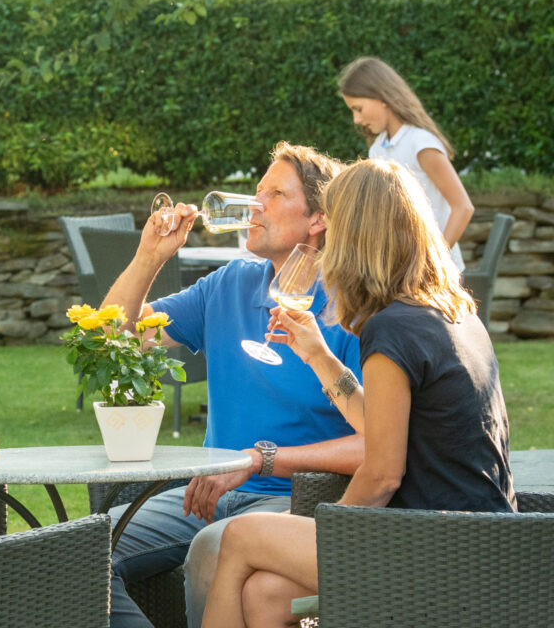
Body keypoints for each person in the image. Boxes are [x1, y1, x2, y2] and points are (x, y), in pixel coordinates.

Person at [202, 158, 515, 628]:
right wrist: (320, 357)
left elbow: (384, 473)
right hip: (486, 538)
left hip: (439, 547)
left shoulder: (391, 329)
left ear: (356, 234)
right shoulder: (450, 312)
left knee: (240, 537)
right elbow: (379, 425)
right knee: (266, 594)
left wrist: (334, 534)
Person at [101, 142, 364, 628]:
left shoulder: (349, 309)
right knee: (83, 552)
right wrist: (149, 257)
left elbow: (376, 443)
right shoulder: (228, 284)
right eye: (256, 190)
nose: (255, 205)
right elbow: (115, 340)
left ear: (318, 221)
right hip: (204, 495)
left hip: (294, 501)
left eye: (276, 194)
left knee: (214, 551)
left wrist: (257, 459)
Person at [339, 56, 474, 271]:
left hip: (437, 277)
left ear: (381, 97)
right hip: (399, 273)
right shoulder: (378, 148)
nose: (356, 119)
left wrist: (432, 264)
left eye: (359, 108)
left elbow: (463, 207)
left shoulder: (421, 144)